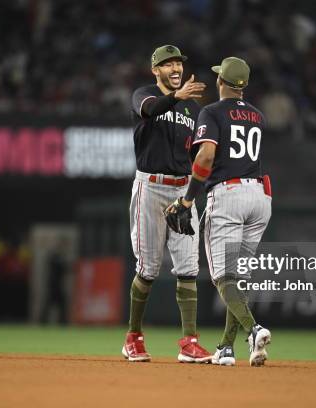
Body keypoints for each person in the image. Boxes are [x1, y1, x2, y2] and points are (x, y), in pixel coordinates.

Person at [166, 57, 273, 366]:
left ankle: (253, 330)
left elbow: (207, 155)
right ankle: (226, 348)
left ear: (220, 81)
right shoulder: (257, 116)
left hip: (228, 195)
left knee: (223, 278)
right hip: (259, 197)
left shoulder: (211, 112)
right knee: (237, 279)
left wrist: (187, 200)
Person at [122, 45, 213, 363]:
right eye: (168, 64)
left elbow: (197, 155)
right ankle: (133, 337)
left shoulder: (191, 109)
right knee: (147, 268)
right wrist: (178, 97)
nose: (175, 68)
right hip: (150, 187)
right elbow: (150, 110)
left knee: (189, 267)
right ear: (155, 70)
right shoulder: (143, 94)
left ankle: (189, 342)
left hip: (181, 191)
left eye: (178, 63)